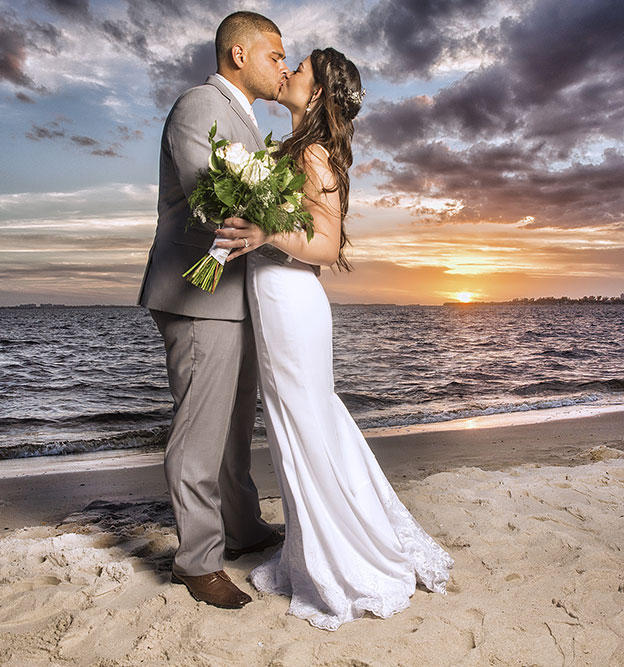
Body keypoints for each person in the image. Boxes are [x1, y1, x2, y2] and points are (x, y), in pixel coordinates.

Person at [215, 48, 454, 630]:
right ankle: (316, 540)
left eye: (301, 70)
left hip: (292, 299)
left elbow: (325, 245)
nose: (290, 71)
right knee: (302, 421)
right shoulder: (290, 150)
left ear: (317, 94)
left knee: (305, 421)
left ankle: (344, 556)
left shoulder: (316, 155)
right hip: (272, 296)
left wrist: (266, 229)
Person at [137, 11, 294, 610]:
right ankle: (197, 560)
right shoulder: (198, 105)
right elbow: (212, 201)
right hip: (197, 290)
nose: (282, 67)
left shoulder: (247, 119)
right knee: (200, 427)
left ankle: (242, 526)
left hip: (236, 293)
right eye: (276, 56)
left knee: (232, 425)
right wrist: (276, 217)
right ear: (238, 55)